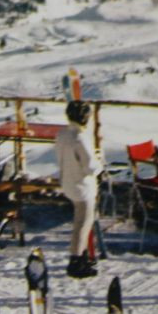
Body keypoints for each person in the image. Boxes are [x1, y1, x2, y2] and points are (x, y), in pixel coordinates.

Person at [55, 99, 105, 279]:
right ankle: (76, 260)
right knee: (83, 223)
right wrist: (99, 163)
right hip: (83, 186)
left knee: (80, 222)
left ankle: (81, 255)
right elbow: (90, 166)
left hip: (68, 181)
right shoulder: (80, 137)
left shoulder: (62, 134)